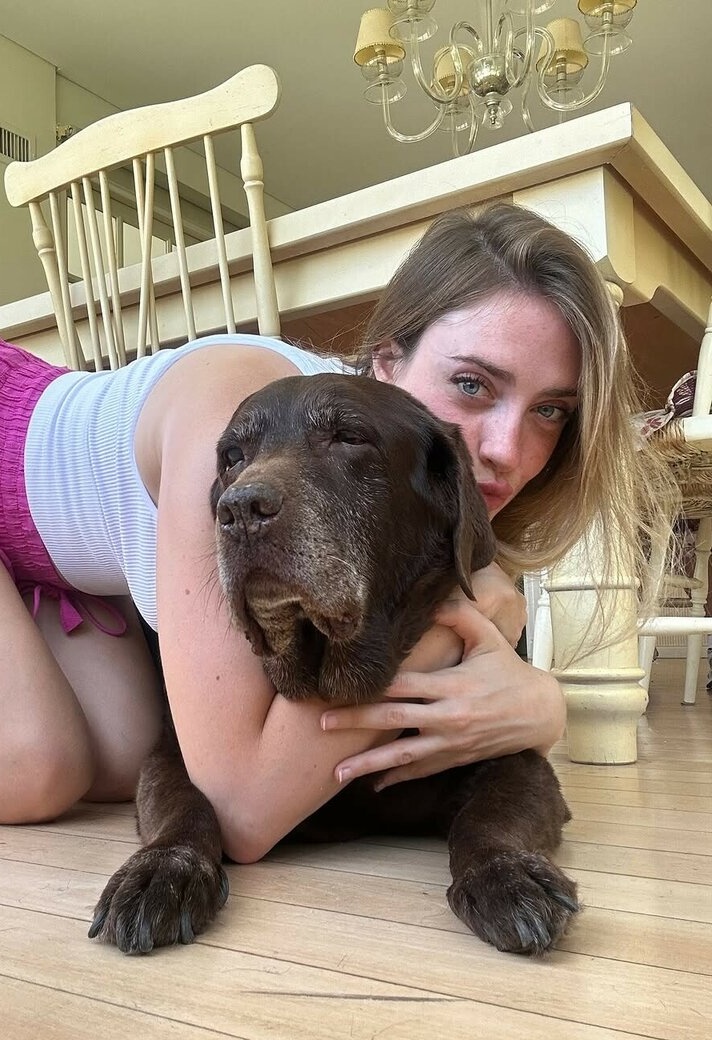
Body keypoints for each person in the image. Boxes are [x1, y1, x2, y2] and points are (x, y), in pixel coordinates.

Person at [0, 202, 675, 860]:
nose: (505, 449)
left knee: (120, 758)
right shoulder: (237, 430)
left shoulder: (404, 481)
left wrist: (543, 704)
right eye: (472, 384)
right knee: (40, 769)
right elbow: (241, 807)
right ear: (385, 364)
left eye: (550, 411)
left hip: (65, 570)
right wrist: (455, 627)